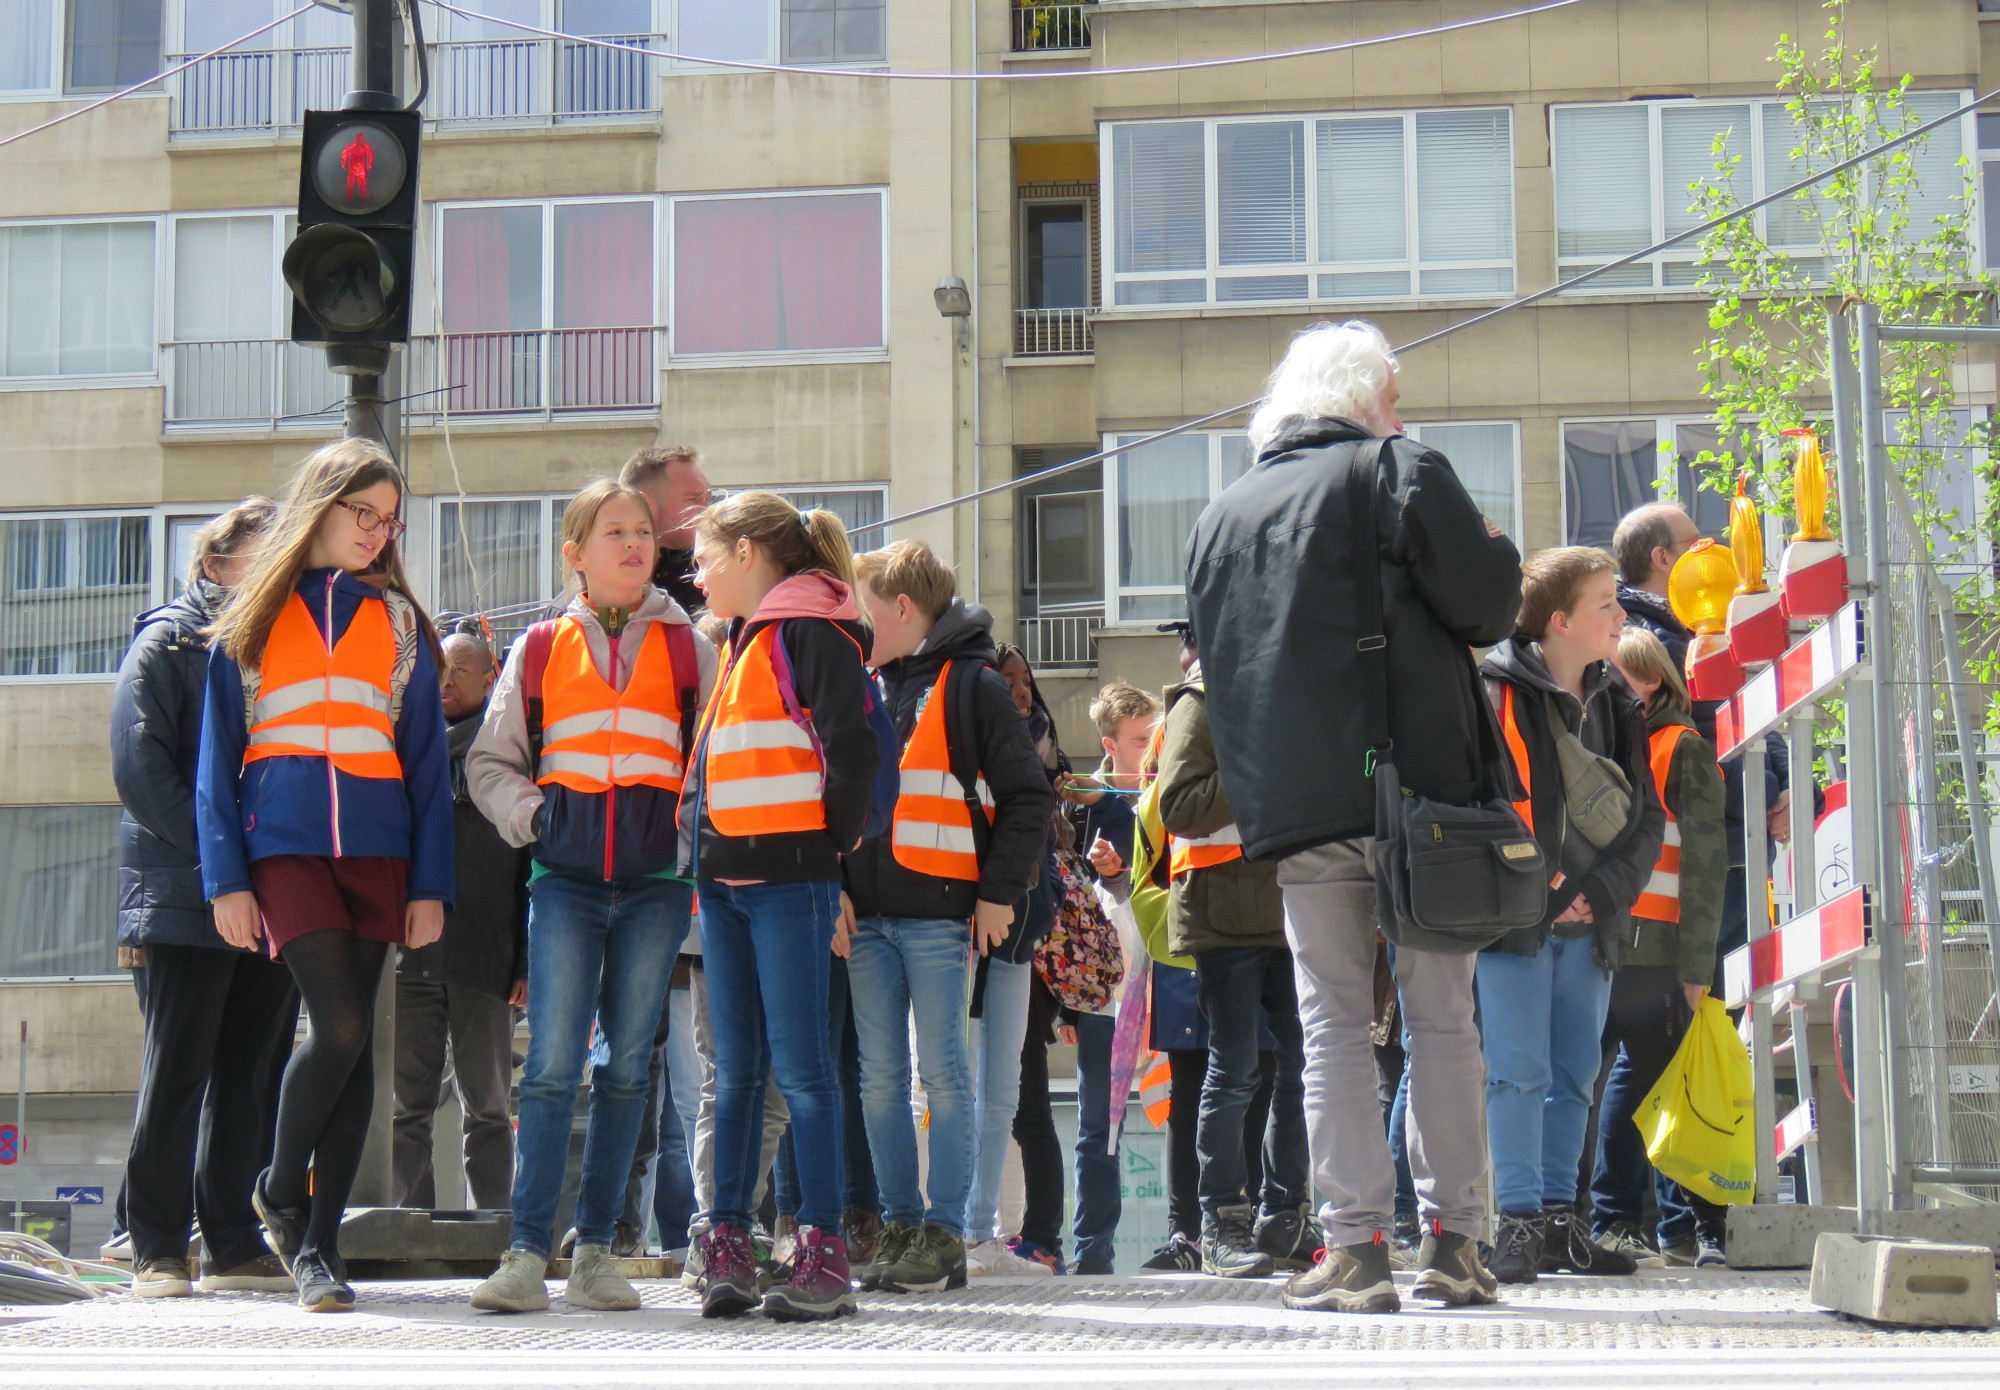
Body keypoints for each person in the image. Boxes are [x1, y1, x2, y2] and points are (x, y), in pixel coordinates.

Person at [1187, 320, 1522, 1314]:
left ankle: (1352, 1250)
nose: (1402, 412)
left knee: (1327, 1021)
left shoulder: (1221, 513)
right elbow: (1486, 605)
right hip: (1418, 796)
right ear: (1363, 398)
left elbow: (1216, 658)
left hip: (1296, 804)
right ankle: (1456, 1243)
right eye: (1394, 393)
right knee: (1440, 1017)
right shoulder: (1397, 469)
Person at [197, 441, 454, 1314]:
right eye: (363, 514)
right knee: (339, 1028)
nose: (378, 534)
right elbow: (213, 765)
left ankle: (321, 1248)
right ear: (321, 507)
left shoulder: (404, 624)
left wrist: (432, 885)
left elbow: (426, 766)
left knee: (356, 1057)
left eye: (389, 521)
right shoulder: (252, 618)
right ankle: (279, 1187)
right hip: (287, 847)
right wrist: (225, 880)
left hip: (380, 848)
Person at [465, 478, 715, 1314]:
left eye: (643, 529)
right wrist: (538, 821)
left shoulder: (692, 650)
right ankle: (527, 1253)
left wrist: (686, 839)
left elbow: (716, 759)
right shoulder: (536, 649)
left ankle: (598, 1252)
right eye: (615, 531)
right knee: (550, 1070)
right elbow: (488, 764)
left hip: (656, 889)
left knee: (624, 1075)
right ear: (575, 554)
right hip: (565, 884)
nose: (636, 542)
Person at [680, 490, 881, 1322]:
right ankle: (729, 1240)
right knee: (736, 1072)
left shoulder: (808, 631)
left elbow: (855, 749)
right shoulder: (742, 643)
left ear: (750, 554)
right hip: (724, 884)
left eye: (704, 557)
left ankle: (824, 1249)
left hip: (791, 879)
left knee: (801, 1071)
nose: (695, 573)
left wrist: (825, 854)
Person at [840, 540, 1053, 1292]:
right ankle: (904, 1226)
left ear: (901, 609)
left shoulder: (974, 685)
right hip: (867, 918)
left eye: (865, 610)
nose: (857, 624)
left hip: (936, 914)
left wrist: (999, 892)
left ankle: (942, 1231)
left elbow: (1030, 796)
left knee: (942, 1076)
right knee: (882, 1080)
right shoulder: (866, 681)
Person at [119, 499, 299, 1300]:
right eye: (265, 556)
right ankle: (155, 1244)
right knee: (178, 1070)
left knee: (250, 1075)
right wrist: (223, 863)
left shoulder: (288, 643)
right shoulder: (168, 641)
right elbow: (141, 770)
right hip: (186, 894)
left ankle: (231, 1240)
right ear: (217, 562)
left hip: (274, 895)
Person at [1478, 546, 1665, 1283]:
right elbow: (1483, 801)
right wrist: (1554, 887)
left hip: (1594, 923)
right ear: (1559, 621)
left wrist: (1607, 891)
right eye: (1605, 604)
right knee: (1517, 1072)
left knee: (1578, 1073)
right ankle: (1517, 1223)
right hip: (1516, 920)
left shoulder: (1619, 701)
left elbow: (1648, 818)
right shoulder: (1494, 690)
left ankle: (1562, 1222)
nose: (1622, 616)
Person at [1155, 635, 1318, 1279]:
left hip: (1288, 903)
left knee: (1299, 1066)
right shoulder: (1199, 701)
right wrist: (1263, 767)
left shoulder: (1285, 699)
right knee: (1236, 1067)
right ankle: (1219, 1219)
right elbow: (1180, 806)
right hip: (1225, 911)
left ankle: (1284, 1214)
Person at [1590, 628, 1730, 1269]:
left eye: (1614, 676)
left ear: (1648, 681)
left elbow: (1706, 866)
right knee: (1638, 1082)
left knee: (1625, 1081)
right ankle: (1654, 1222)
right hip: (1629, 947)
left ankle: (1625, 1218)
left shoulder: (1676, 747)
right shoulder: (1646, 742)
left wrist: (1696, 966)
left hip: (1645, 951)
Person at [1610, 503, 1792, 989]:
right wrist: (1766, 796)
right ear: (1662, 559)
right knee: (1675, 1031)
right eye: (1695, 542)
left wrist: (1794, 786)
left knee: (1716, 1024)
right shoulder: (1636, 642)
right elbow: (1700, 744)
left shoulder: (1702, 628)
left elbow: (1758, 713)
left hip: (1739, 848)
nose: (1712, 550)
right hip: (1693, 865)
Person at [391, 632, 529, 1213]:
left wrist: (525, 962)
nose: (448, 682)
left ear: (491, 676)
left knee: (490, 1108)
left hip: (485, 956)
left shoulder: (511, 756)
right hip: (410, 958)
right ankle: (408, 1224)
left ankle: (495, 1227)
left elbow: (531, 870)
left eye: (462, 670)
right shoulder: (402, 748)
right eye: (440, 670)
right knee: (406, 1110)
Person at [1041, 681, 1158, 1276]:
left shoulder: (1171, 794)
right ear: (1111, 745)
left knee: (1177, 1106)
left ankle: (1188, 1234)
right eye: (1142, 740)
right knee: (1097, 1122)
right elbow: (1072, 916)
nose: (1154, 748)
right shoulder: (1087, 807)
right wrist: (1066, 1008)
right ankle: (1093, 1253)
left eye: (1158, 735)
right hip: (1106, 991)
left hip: (1170, 980)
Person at [970, 643, 1064, 1279]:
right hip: (982, 930)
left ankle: (1036, 1236)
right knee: (972, 1090)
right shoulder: (983, 744)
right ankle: (980, 1227)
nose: (1022, 692)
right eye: (1009, 682)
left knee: (1021, 1099)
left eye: (1027, 682)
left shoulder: (1044, 758)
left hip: (1025, 941)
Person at [620, 444, 713, 617]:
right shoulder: (598, 588)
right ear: (645, 504)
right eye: (693, 499)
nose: (707, 510)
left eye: (708, 498)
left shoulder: (717, 582)